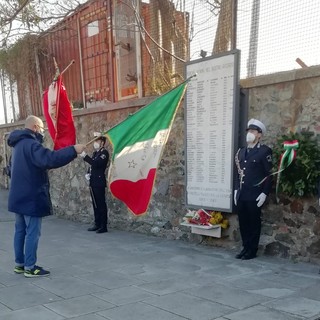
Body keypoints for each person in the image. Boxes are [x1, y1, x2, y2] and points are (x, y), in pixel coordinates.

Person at [7, 115, 86, 277]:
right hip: (31, 197)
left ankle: (19, 264)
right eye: (42, 128)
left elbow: (9, 169)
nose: (43, 132)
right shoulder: (32, 145)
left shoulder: (17, 146)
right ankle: (30, 267)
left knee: (20, 231)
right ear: (35, 127)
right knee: (32, 233)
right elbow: (50, 159)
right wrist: (73, 150)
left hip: (18, 196)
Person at [234, 119, 273, 260]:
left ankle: (252, 250)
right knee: (243, 222)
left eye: (253, 131)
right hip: (242, 193)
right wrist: (236, 190)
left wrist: (264, 193)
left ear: (259, 135)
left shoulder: (264, 151)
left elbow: (269, 175)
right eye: (249, 131)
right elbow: (239, 173)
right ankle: (245, 247)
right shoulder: (241, 151)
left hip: (255, 194)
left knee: (254, 223)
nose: (249, 133)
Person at [81, 132, 109, 233]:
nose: (95, 143)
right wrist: (88, 173)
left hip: (99, 182)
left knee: (101, 204)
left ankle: (103, 226)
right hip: (93, 181)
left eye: (97, 140)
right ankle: (97, 223)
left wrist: (85, 157)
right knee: (95, 204)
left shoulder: (104, 153)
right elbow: (92, 166)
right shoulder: (95, 153)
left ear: (102, 142)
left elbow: (97, 164)